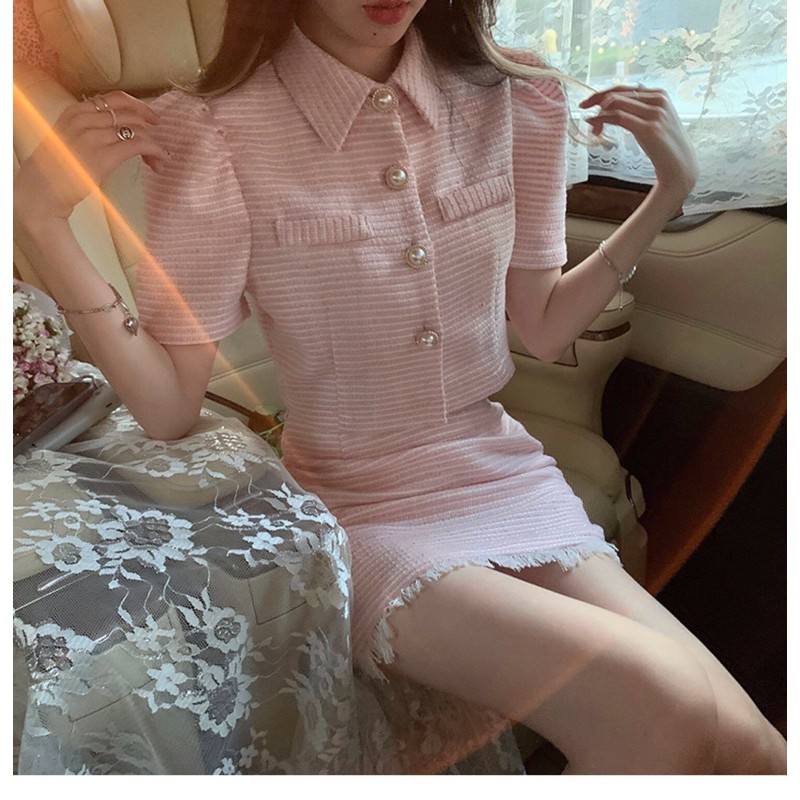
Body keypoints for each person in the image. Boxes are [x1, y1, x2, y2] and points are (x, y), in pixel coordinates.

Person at [13, 0, 787, 775]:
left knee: (754, 751)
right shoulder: (213, 132)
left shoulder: (519, 96)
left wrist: (669, 191)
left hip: (497, 468)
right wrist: (42, 223)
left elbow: (546, 326)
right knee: (663, 710)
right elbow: (168, 408)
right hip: (360, 506)